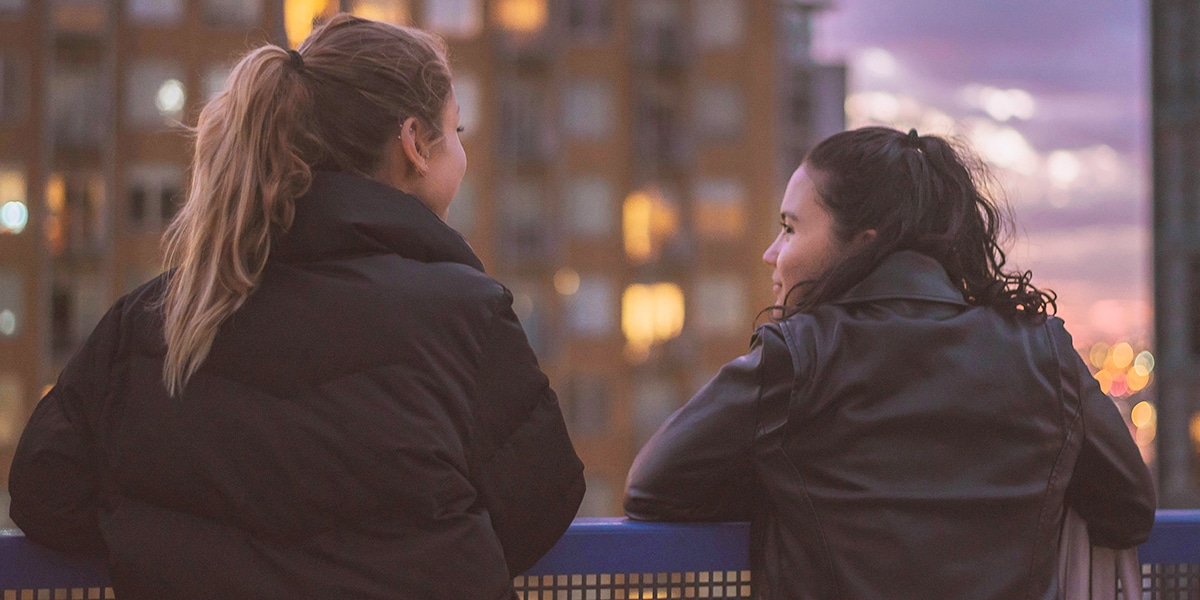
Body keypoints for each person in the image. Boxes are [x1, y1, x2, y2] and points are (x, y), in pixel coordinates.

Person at [9, 14, 584, 600]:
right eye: (457, 130)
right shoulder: (468, 318)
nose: (461, 150)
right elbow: (544, 499)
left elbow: (45, 491)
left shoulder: (157, 318)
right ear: (414, 143)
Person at [624, 126, 1154, 600]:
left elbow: (652, 491)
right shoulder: (1043, 353)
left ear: (861, 244)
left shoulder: (798, 358)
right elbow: (1128, 508)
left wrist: (788, 488)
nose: (771, 253)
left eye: (789, 228)